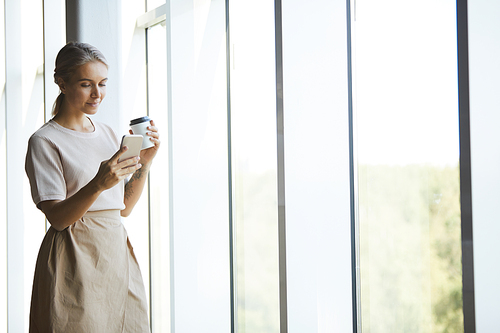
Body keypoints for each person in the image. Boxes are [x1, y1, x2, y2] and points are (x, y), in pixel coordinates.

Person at [25, 42, 159, 332]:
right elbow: (58, 218)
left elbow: (123, 207)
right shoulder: (45, 141)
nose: (97, 94)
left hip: (114, 252)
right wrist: (98, 183)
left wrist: (145, 164)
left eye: (102, 84)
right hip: (74, 255)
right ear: (61, 82)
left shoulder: (109, 133)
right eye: (86, 84)